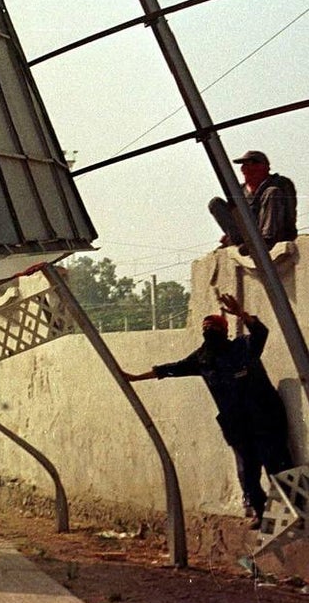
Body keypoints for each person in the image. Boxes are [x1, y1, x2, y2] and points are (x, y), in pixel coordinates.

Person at [123, 293, 294, 529]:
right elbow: (170, 369)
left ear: (224, 331)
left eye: (213, 327)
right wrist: (134, 378)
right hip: (237, 424)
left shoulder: (243, 347)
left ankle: (295, 511)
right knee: (248, 472)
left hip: (264, 417)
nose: (209, 330)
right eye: (206, 328)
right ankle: (261, 512)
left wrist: (242, 314)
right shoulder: (203, 359)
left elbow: (261, 333)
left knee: (276, 464)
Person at [209, 150, 297, 253]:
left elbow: (290, 213)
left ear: (264, 167)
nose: (246, 169)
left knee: (272, 192)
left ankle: (266, 240)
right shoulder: (240, 191)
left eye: (251, 165)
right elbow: (236, 216)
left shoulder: (280, 183)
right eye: (244, 166)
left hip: (276, 232)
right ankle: (240, 240)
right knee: (216, 203)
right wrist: (231, 233)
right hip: (249, 234)